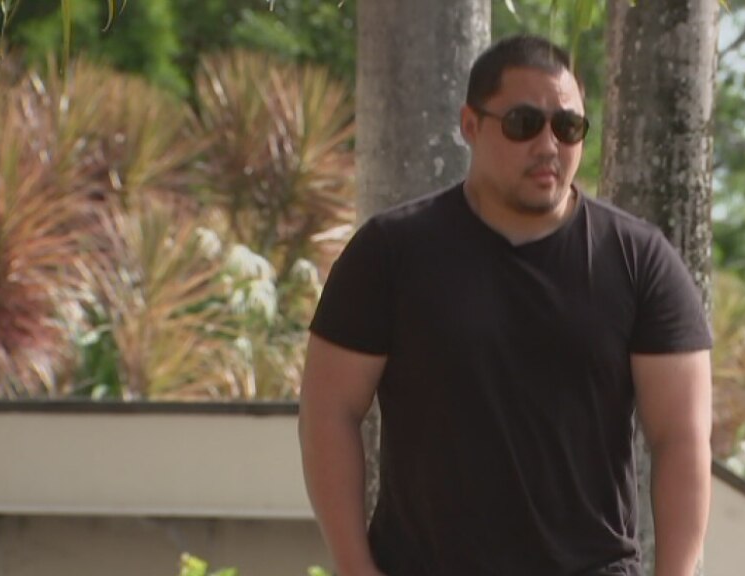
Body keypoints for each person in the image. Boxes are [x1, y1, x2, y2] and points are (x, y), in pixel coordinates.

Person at [299, 34, 713, 576]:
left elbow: (681, 437)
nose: (549, 146)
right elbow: (328, 411)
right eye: (524, 123)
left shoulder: (639, 260)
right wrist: (356, 568)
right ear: (471, 124)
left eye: (568, 127)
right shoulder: (391, 253)